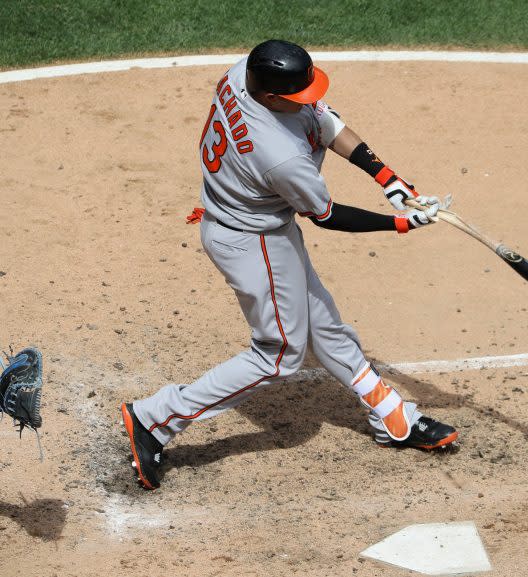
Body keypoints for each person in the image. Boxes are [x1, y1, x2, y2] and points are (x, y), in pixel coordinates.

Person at [121, 39, 458, 490]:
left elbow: (322, 119)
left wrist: (388, 177)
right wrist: (402, 222)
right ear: (271, 97)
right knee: (279, 354)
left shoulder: (245, 71)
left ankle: (393, 416)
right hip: (252, 242)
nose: (309, 99)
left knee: (325, 326)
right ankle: (154, 418)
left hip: (251, 223)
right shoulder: (278, 156)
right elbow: (329, 216)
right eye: (296, 96)